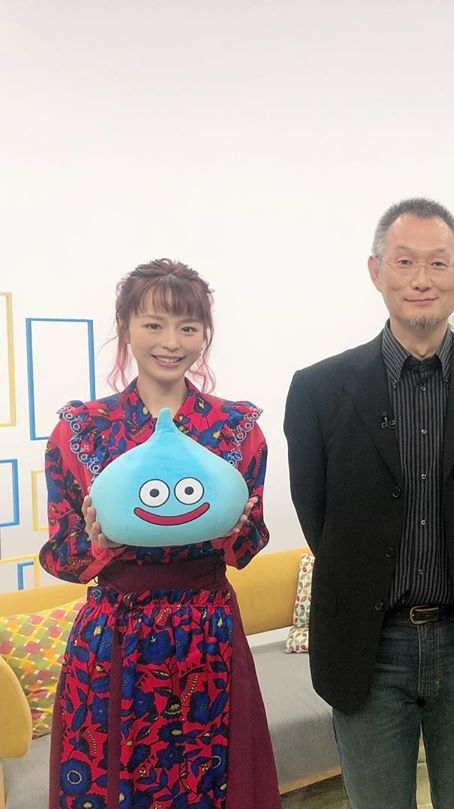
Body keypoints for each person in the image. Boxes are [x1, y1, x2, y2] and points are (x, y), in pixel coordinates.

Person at [283, 197, 454, 808]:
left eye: (437, 262)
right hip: (367, 644)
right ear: (376, 272)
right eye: (404, 262)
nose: (421, 279)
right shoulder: (319, 389)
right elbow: (316, 515)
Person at [41, 259, 280, 809]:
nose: (171, 342)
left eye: (187, 328)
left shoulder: (236, 430)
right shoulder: (81, 430)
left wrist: (235, 531)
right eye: (153, 324)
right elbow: (59, 556)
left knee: (210, 783)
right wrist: (98, 544)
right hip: (114, 634)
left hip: (207, 631)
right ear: (125, 327)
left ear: (204, 335)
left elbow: (249, 546)